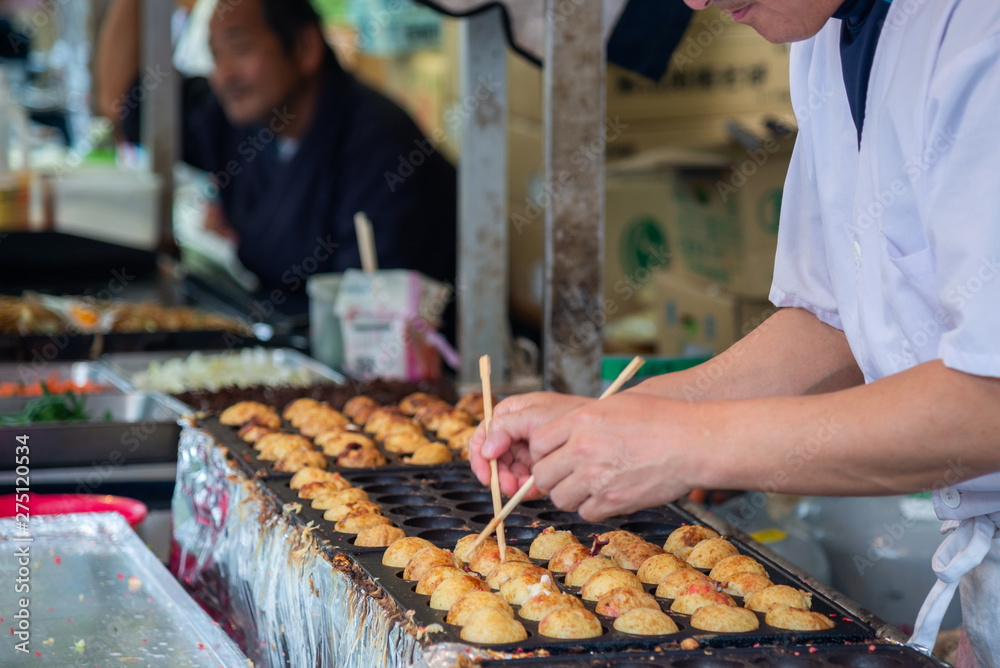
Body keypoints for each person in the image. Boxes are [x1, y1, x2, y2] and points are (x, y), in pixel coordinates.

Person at [469, 0, 1000, 665]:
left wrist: (689, 445)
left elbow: (989, 401)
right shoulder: (822, 31)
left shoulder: (982, 34)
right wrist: (633, 416)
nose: (692, 2)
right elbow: (835, 318)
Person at [95, 0, 457, 317]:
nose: (224, 75)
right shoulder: (241, 120)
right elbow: (121, 103)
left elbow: (377, 317)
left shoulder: (380, 146)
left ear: (305, 47)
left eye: (241, 48)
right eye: (215, 54)